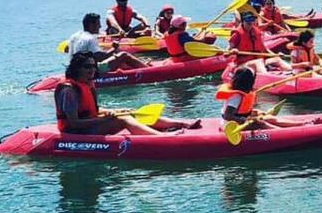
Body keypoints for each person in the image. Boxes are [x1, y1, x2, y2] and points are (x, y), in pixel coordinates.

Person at [54, 52, 192, 135]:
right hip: (75, 132)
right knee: (124, 120)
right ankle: (161, 137)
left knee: (130, 112)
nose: (92, 70)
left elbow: (92, 111)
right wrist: (104, 120)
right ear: (77, 69)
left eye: (93, 66)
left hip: (89, 124)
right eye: (87, 67)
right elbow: (74, 123)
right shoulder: (69, 90)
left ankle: (180, 123)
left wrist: (114, 111)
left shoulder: (88, 83)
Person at [216, 66, 299, 131]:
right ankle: (284, 134)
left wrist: (255, 113)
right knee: (262, 124)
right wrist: (246, 120)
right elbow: (228, 115)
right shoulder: (236, 96)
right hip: (230, 126)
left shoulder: (244, 93)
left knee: (270, 118)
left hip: (239, 121)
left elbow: (242, 111)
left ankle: (301, 125)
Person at [67, 12, 146, 71]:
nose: (100, 26)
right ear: (91, 25)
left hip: (74, 69)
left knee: (113, 55)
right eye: (98, 24)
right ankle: (147, 69)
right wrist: (114, 48)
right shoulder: (90, 38)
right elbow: (100, 58)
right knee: (123, 55)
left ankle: (134, 65)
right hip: (90, 70)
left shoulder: (74, 36)